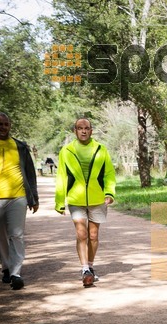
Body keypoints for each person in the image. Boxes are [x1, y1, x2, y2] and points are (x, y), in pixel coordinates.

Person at [55, 118, 116, 287]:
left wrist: (110, 192)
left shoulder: (100, 149)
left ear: (91, 130)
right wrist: (60, 201)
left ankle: (90, 265)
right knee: (81, 234)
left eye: (86, 128)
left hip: (97, 199)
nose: (83, 131)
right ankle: (84, 270)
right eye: (80, 128)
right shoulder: (66, 151)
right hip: (76, 199)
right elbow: (61, 176)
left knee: (93, 235)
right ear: (75, 130)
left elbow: (109, 173)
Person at [0, 112, 39, 290]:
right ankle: (6, 267)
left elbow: (30, 174)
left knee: (17, 235)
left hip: (18, 197)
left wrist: (34, 198)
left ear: (10, 126)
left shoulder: (20, 146)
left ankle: (16, 273)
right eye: (0, 124)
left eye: (6, 124)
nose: (3, 127)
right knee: (0, 237)